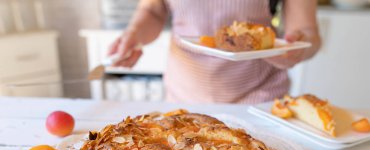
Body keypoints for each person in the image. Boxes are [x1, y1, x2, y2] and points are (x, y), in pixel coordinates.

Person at [109, 0, 321, 104]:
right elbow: (153, 10)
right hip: (183, 96)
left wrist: (296, 48)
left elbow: (308, 32)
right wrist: (134, 34)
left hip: (259, 99)